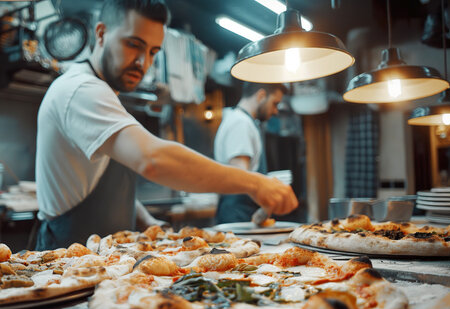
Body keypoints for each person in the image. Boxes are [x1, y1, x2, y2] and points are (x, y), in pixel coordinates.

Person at [35, 0, 297, 250]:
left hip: (103, 258)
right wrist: (254, 183)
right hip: (68, 260)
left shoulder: (103, 94)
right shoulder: (81, 90)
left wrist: (146, 220)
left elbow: (93, 181)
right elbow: (153, 159)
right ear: (101, 33)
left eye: (152, 52)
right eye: (133, 45)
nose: (143, 62)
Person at [213, 82, 288, 224]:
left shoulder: (244, 121)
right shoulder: (240, 123)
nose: (275, 111)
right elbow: (240, 177)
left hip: (242, 210)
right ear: (261, 95)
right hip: (237, 213)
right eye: (275, 103)